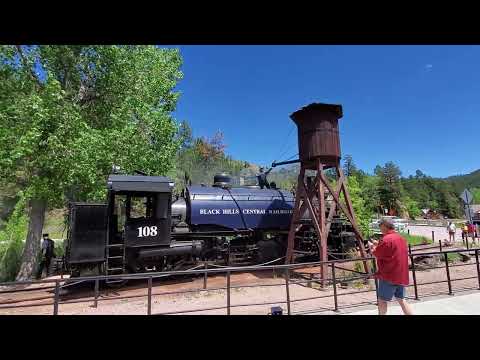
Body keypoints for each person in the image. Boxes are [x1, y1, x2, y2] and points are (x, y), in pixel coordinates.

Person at [368, 218, 413, 315]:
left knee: (382, 300)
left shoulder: (386, 239)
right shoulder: (400, 238)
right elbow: (391, 251)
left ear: (384, 226)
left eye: (380, 226)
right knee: (401, 299)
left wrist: (372, 247)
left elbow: (378, 253)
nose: (380, 229)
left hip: (389, 275)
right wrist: (378, 244)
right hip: (400, 275)